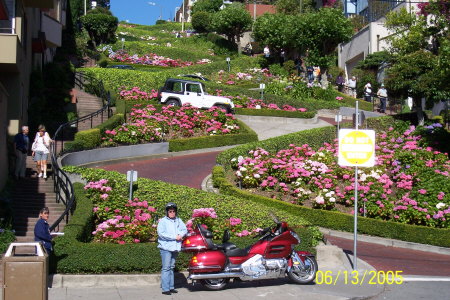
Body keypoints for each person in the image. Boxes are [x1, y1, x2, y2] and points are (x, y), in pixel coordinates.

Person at [157, 202, 187, 296]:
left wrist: (180, 235)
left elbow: (184, 229)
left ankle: (171, 287)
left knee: (171, 267)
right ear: (167, 212)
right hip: (166, 247)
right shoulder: (163, 221)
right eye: (170, 211)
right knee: (166, 268)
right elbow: (161, 233)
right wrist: (174, 237)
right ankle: (165, 289)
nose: (172, 213)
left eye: (174, 211)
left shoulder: (178, 220)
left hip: (175, 247)